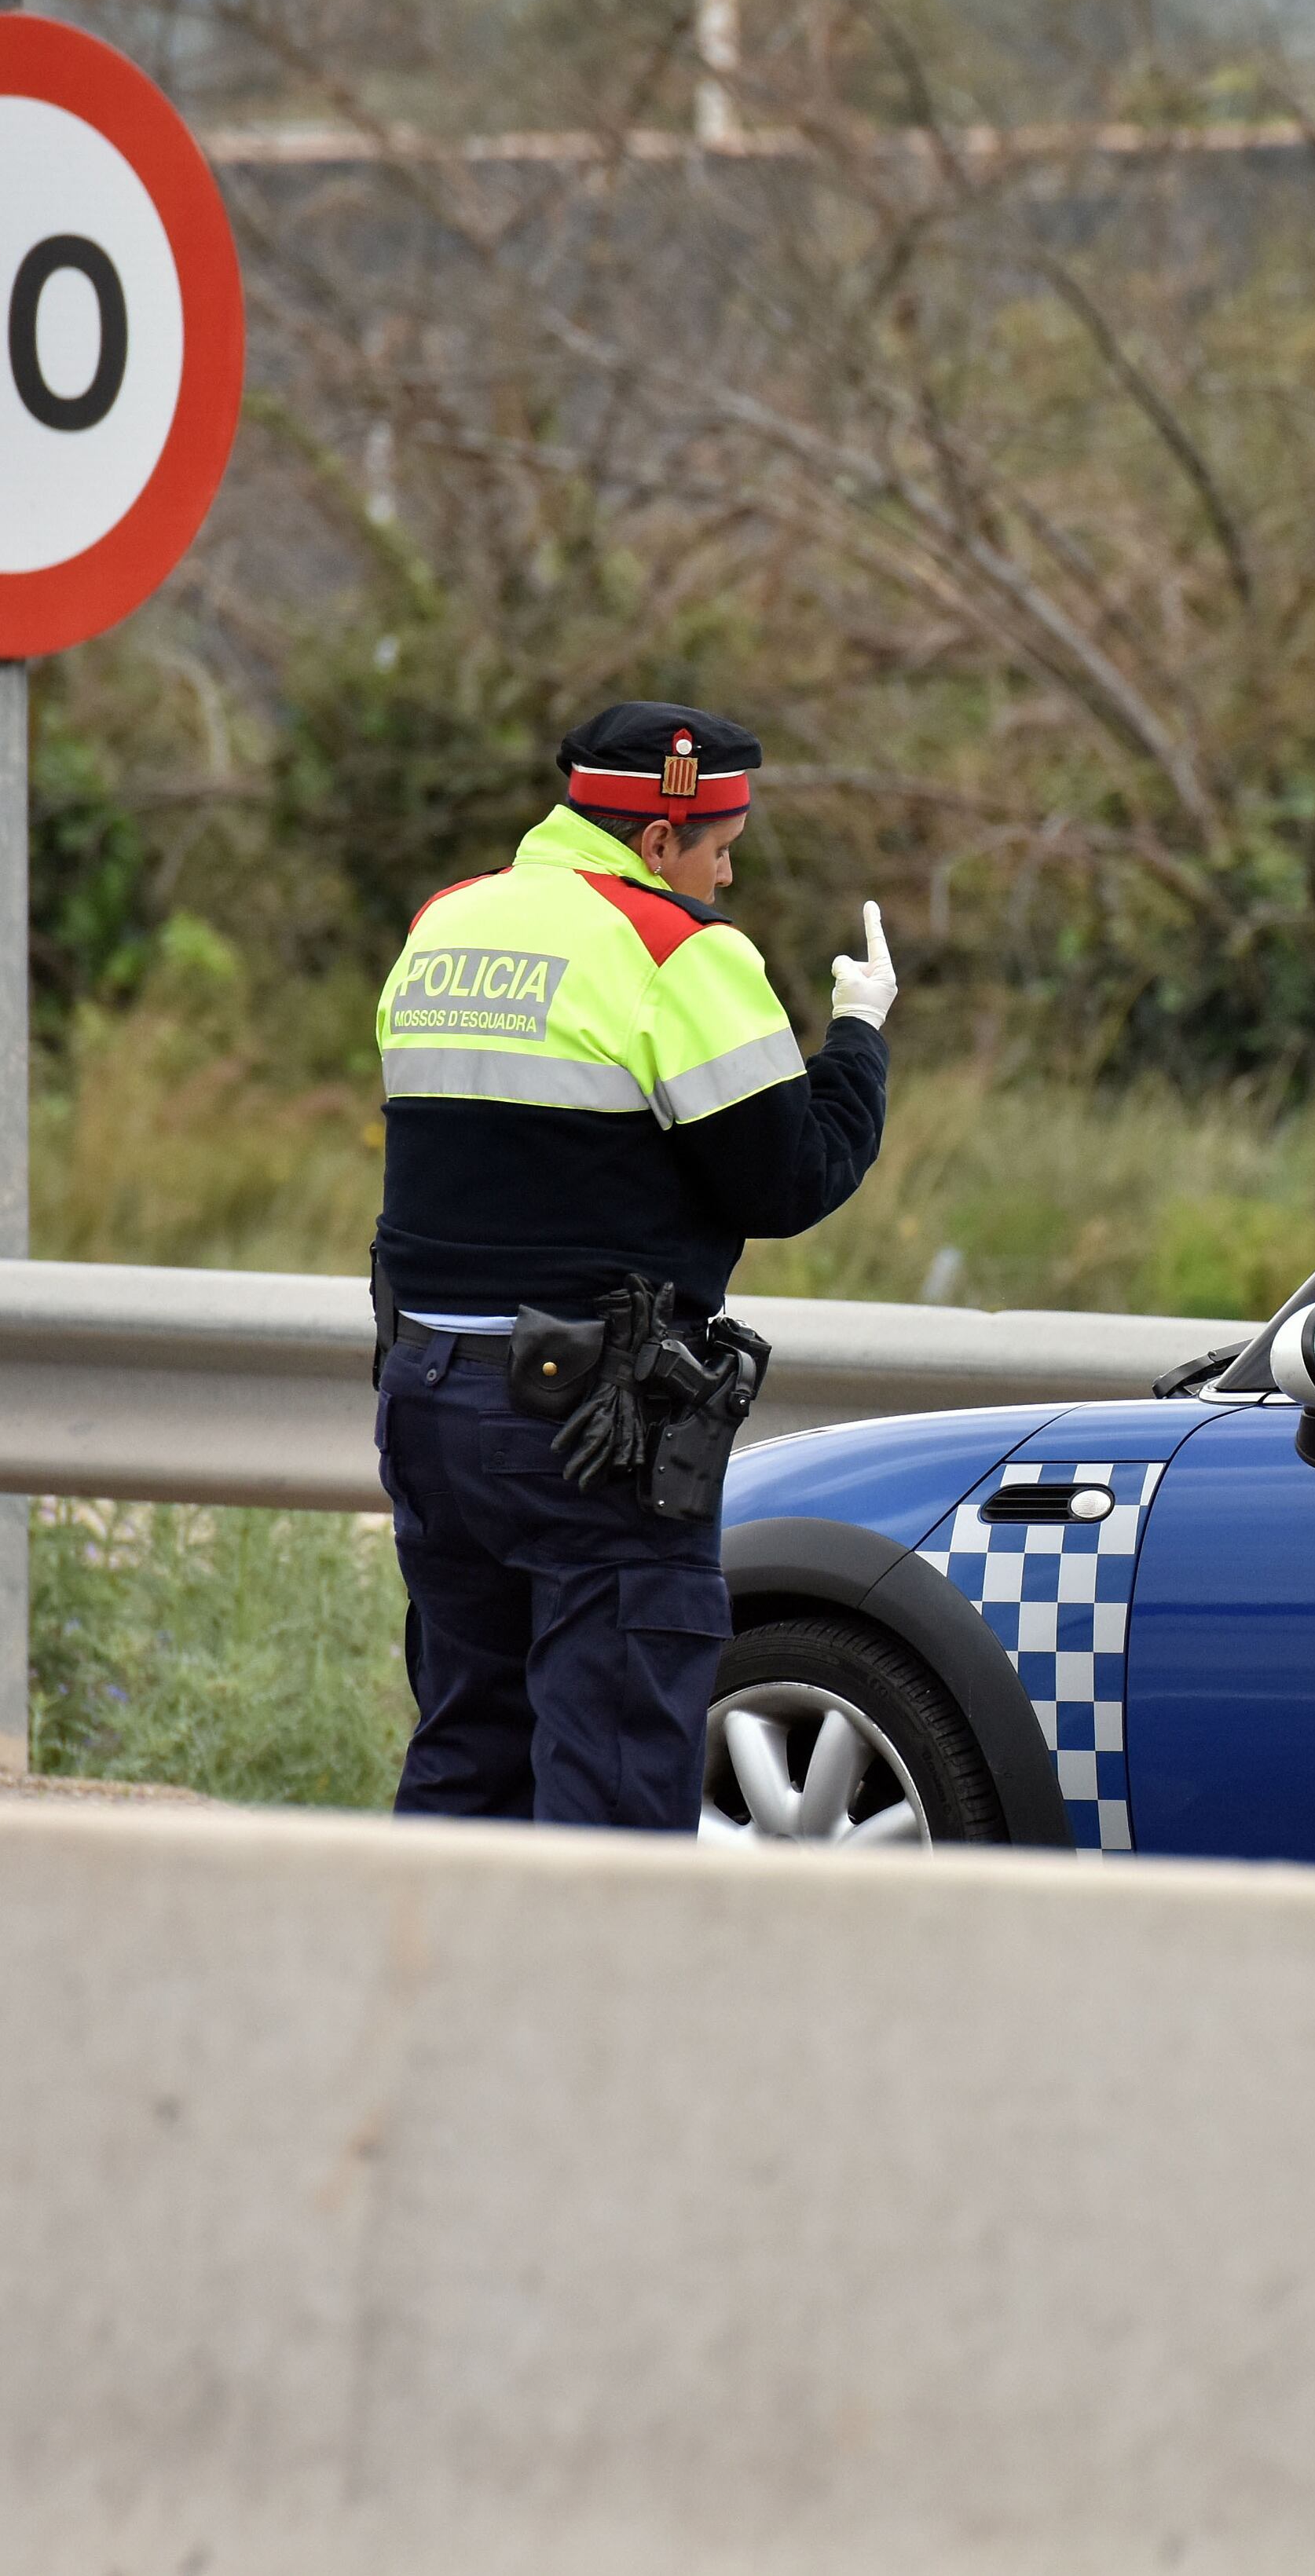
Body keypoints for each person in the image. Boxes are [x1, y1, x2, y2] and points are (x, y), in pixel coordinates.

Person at [368, 701, 899, 1830]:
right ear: (659, 838)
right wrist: (858, 1037)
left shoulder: (444, 923)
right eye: (721, 850)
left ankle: (432, 1954)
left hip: (427, 1400)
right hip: (585, 1430)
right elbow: (789, 1179)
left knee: (466, 1753)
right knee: (611, 1779)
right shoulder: (675, 949)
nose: (725, 878)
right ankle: (592, 1963)